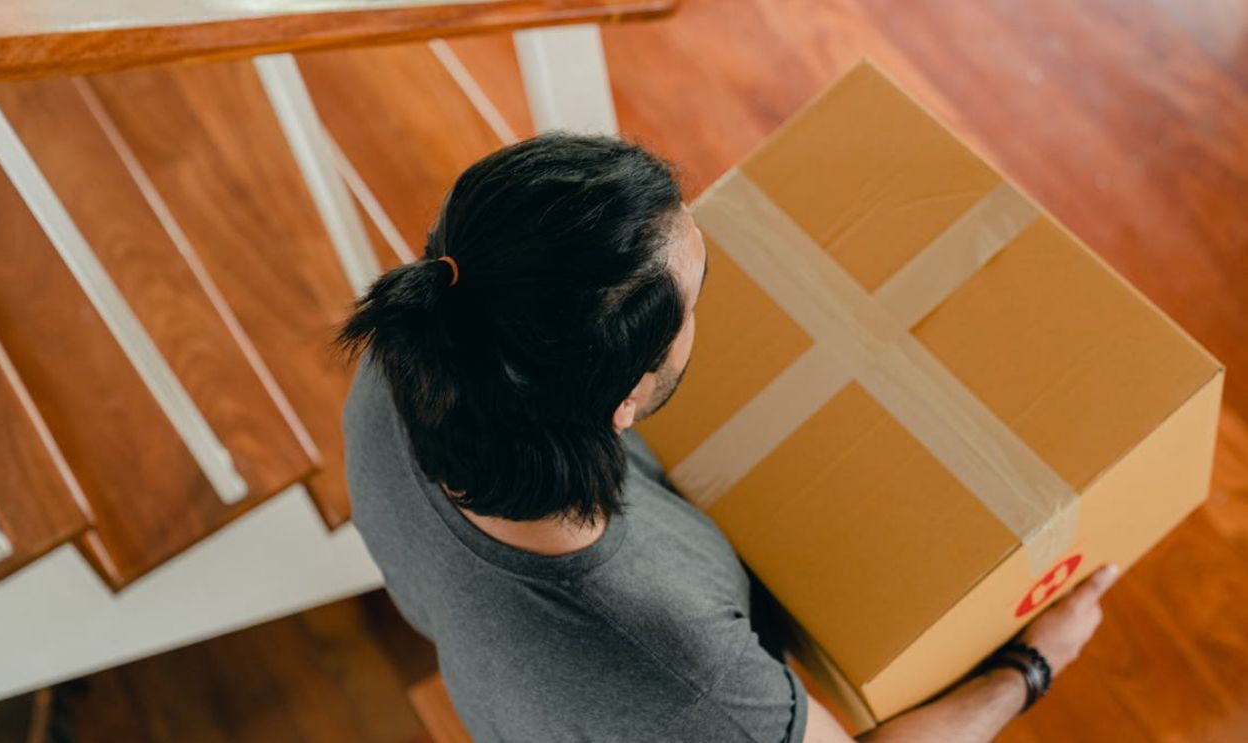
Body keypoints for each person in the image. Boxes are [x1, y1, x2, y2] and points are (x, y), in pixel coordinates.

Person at [336, 132, 1120, 742]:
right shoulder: (674, 664)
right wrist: (1032, 662)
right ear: (626, 398)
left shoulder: (417, 344)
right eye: (695, 297)